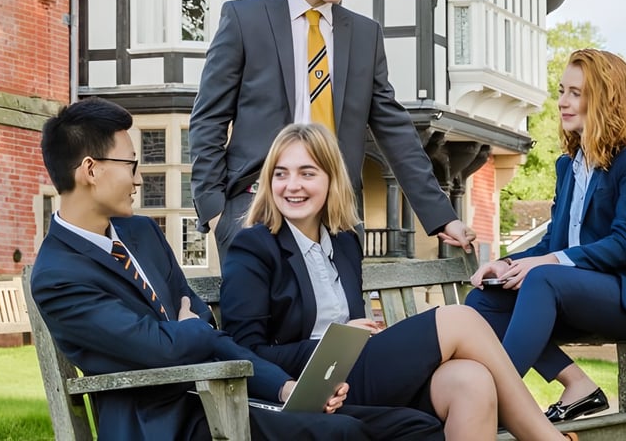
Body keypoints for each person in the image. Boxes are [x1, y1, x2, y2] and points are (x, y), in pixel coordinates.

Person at [31, 97, 445, 440]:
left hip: (229, 394)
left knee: (415, 427)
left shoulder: (141, 233)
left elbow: (208, 334)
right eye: (131, 165)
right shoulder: (58, 274)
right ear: (90, 169)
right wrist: (191, 328)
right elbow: (162, 349)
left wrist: (284, 387)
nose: (138, 180)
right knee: (341, 433)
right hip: (166, 423)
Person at [220, 123, 578, 441]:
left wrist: (352, 337)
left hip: (357, 374)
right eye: (281, 174)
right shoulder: (254, 246)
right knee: (461, 319)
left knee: (471, 380)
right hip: (308, 385)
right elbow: (244, 351)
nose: (292, 186)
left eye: (306, 173)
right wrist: (333, 342)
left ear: (330, 178)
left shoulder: (345, 242)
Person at [189, 0, 475, 262]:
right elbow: (208, 119)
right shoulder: (245, 20)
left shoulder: (365, 35)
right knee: (259, 318)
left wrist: (441, 216)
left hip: (338, 214)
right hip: (255, 206)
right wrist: (216, 212)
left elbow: (395, 131)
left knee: (346, 318)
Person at [465, 49, 626, 422]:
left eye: (575, 93)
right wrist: (505, 264)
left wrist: (545, 263)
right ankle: (577, 385)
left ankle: (495, 405)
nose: (562, 103)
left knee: (542, 278)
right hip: (580, 293)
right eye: (560, 91)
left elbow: (624, 244)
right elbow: (554, 242)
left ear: (605, 99)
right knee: (484, 300)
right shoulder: (569, 165)